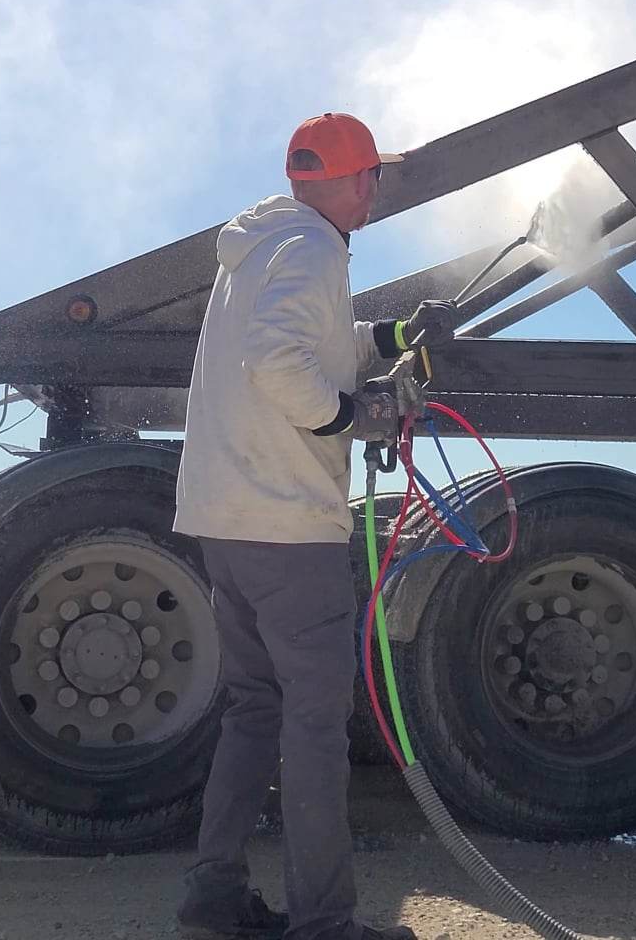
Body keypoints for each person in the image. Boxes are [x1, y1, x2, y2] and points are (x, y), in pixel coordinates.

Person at [173, 112, 457, 940]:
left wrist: (398, 336)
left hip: (227, 520)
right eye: (370, 174)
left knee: (254, 712)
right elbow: (279, 358)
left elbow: (317, 340)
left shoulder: (265, 244)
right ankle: (325, 926)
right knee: (314, 727)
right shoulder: (314, 247)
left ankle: (212, 903)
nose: (375, 188)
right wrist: (349, 419)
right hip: (288, 526)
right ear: (339, 179)